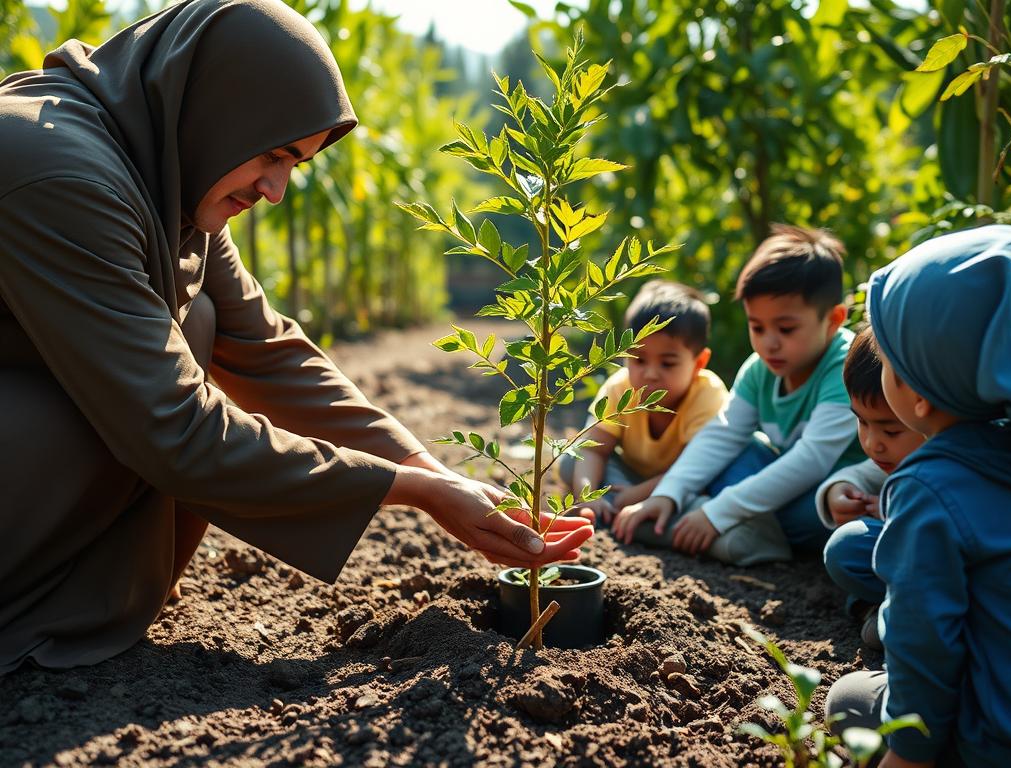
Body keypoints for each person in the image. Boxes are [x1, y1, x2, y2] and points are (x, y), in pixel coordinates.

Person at [0, 0, 592, 674]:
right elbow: (174, 430)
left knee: (197, 322)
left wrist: (431, 472)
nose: (277, 191)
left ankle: (75, 594)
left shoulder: (164, 168)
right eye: (273, 156)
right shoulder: (60, 174)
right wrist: (406, 489)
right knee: (132, 392)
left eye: (297, 164)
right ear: (219, 108)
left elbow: (268, 349)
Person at [825, 224, 1011, 767]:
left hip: (995, 742)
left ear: (915, 394)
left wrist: (908, 756)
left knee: (847, 699)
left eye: (887, 360)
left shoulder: (929, 485)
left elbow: (924, 643)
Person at [613, 224, 862, 564]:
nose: (768, 342)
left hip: (830, 499)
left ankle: (732, 530)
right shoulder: (760, 368)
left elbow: (812, 459)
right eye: (757, 327)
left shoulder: (845, 365)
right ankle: (717, 524)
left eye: (786, 329)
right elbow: (721, 434)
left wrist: (717, 513)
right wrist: (668, 494)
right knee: (735, 451)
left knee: (825, 512)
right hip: (782, 496)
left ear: (833, 320)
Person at [561, 280, 727, 525]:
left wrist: (635, 496)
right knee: (570, 460)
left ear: (699, 363)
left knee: (705, 494)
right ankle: (610, 512)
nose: (650, 373)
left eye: (667, 363)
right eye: (638, 360)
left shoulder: (708, 395)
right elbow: (593, 448)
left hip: (679, 484)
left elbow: (693, 470)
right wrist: (588, 494)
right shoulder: (620, 387)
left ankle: (624, 514)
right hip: (626, 477)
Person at [815, 327, 924, 649]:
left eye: (891, 431)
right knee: (848, 548)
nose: (872, 444)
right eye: (862, 422)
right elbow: (867, 473)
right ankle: (877, 607)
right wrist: (841, 487)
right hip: (910, 565)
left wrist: (893, 510)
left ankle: (897, 615)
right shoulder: (899, 454)